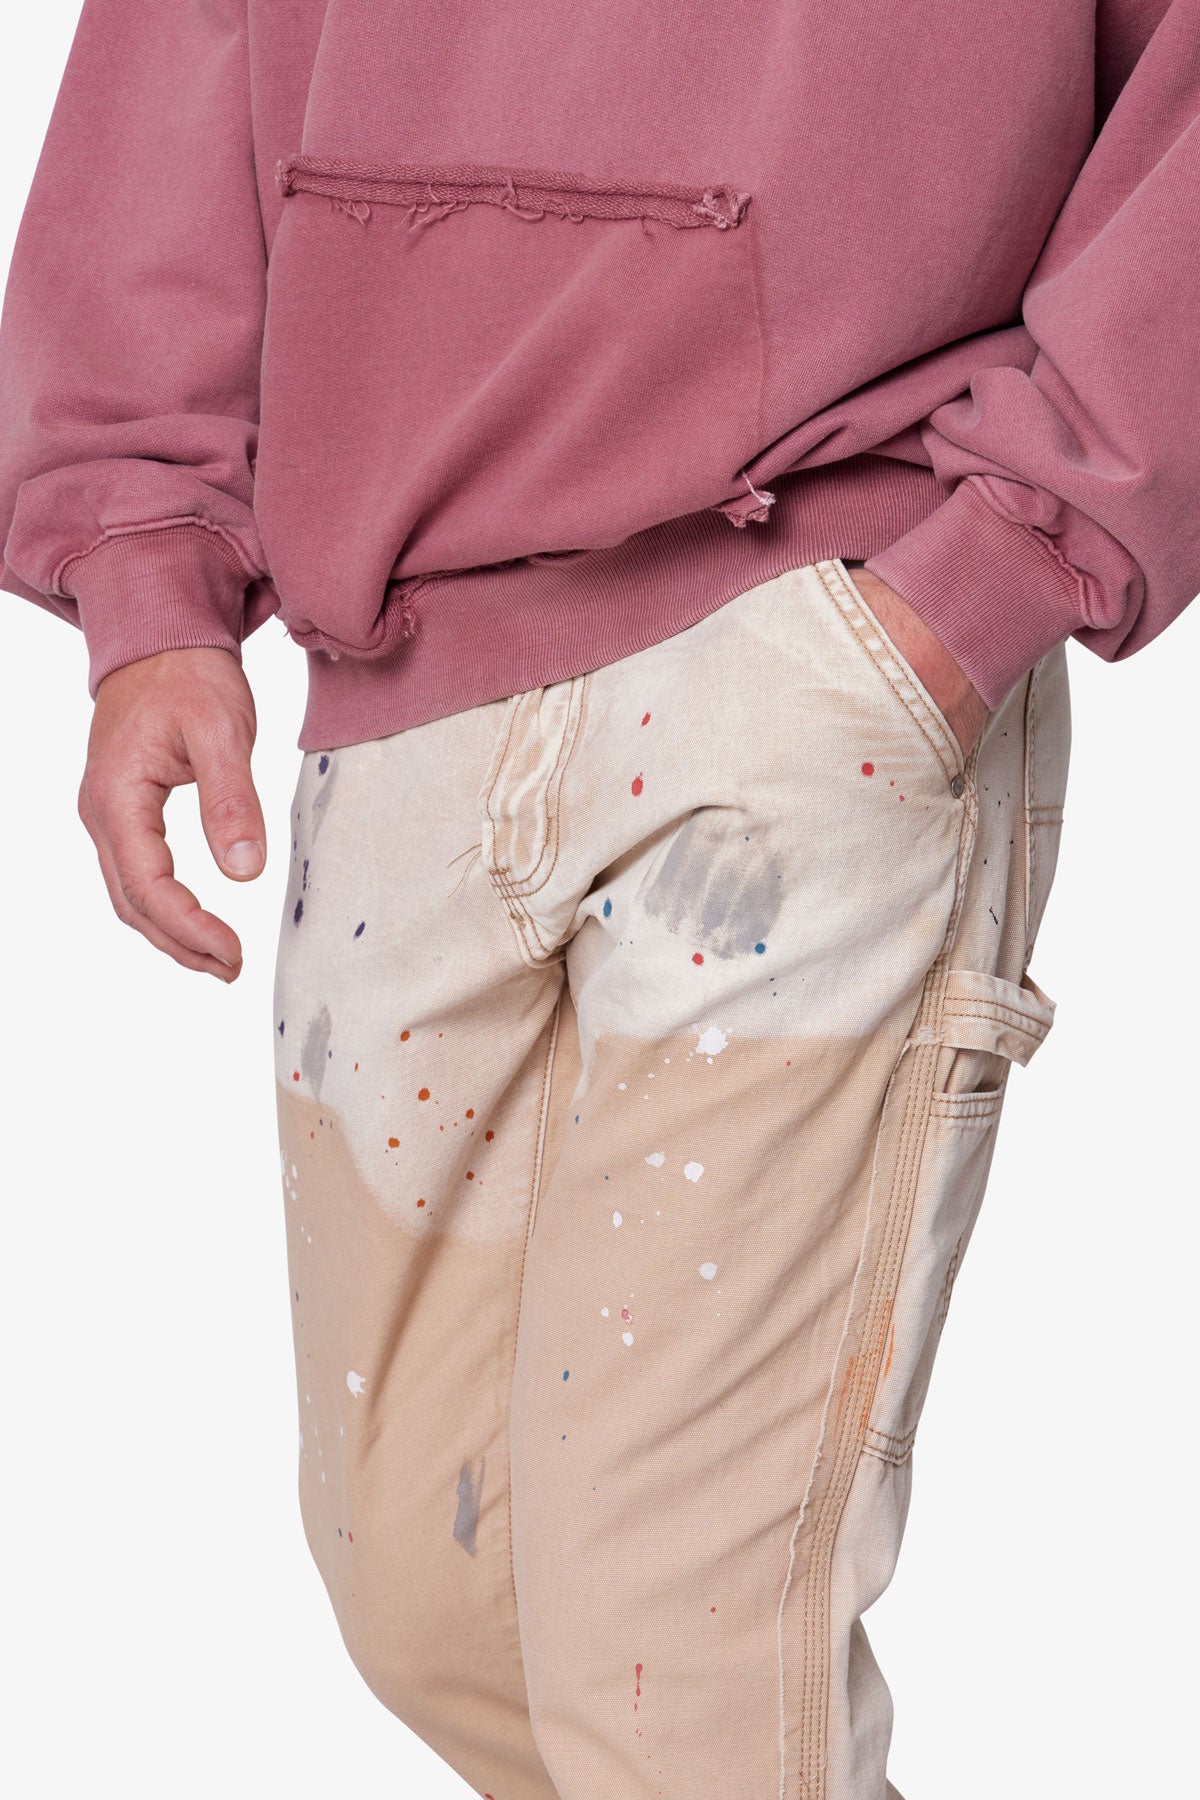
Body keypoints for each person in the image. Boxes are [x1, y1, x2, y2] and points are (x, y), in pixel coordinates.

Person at [1, 2, 1195, 1794]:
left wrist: (1006, 558)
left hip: (817, 631)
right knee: (434, 1596)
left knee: (676, 1669)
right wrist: (145, 561)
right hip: (395, 655)